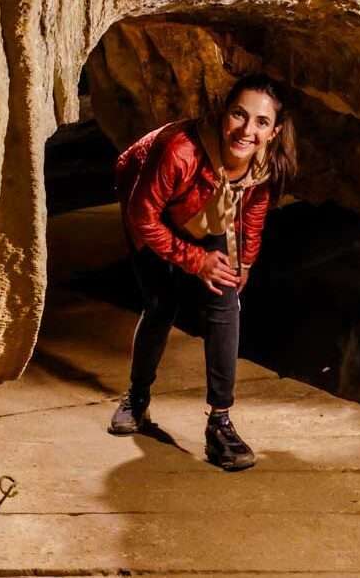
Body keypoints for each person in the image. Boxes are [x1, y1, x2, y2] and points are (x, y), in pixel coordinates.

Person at [108, 74, 297, 471]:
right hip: (150, 207)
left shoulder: (265, 160)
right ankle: (137, 397)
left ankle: (220, 422)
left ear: (274, 130)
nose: (248, 130)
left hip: (208, 210)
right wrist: (194, 261)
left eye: (262, 122)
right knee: (161, 305)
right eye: (239, 115)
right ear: (223, 113)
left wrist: (244, 261)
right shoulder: (179, 151)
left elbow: (253, 213)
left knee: (226, 302)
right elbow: (142, 217)